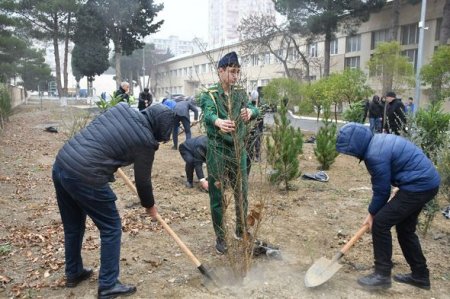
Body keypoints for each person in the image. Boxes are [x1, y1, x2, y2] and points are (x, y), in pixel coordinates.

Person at [52, 102, 174, 298]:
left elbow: (102, 135)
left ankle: (73, 272)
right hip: (86, 175)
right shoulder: (145, 142)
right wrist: (150, 206)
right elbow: (143, 182)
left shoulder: (121, 108)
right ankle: (108, 284)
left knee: (73, 226)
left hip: (62, 163)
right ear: (159, 128)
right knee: (111, 227)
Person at [336, 123, 440, 291]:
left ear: (356, 145)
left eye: (350, 151)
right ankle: (420, 275)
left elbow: (382, 191)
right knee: (405, 229)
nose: (352, 155)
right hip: (425, 182)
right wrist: (403, 181)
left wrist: (372, 214)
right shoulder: (379, 140)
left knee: (381, 223)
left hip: (418, 186)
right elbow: (404, 161)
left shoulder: (374, 155)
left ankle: (382, 276)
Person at [200, 51, 260, 254]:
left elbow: (255, 109)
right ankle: (220, 236)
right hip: (217, 149)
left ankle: (240, 229)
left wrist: (251, 112)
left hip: (238, 150)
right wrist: (217, 121)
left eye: (237, 72)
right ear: (221, 71)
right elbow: (207, 113)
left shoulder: (240, 93)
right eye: (232, 72)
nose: (235, 76)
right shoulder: (209, 94)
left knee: (241, 192)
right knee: (217, 194)